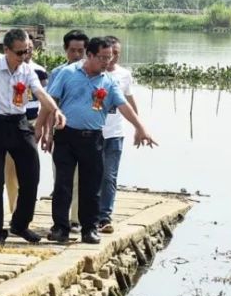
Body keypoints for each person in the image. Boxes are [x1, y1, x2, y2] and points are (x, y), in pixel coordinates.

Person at [44, 36, 156, 245]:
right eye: (102, 57)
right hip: (66, 136)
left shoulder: (109, 81)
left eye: (110, 57)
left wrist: (140, 127)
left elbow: (124, 106)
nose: (107, 62)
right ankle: (60, 227)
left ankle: (89, 229)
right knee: (63, 184)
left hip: (93, 138)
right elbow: (52, 102)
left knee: (92, 186)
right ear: (90, 55)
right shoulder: (67, 74)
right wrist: (46, 132)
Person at [0, 29, 65, 246]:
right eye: (19, 52)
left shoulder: (27, 70)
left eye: (27, 51)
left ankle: (20, 223)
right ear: (6, 50)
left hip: (19, 124)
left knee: (31, 175)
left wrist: (55, 110)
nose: (24, 56)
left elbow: (40, 93)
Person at [97, 36, 138, 233]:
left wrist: (139, 127)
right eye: (108, 54)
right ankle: (87, 215)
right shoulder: (92, 74)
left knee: (109, 176)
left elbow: (128, 101)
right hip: (93, 131)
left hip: (115, 133)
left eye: (116, 54)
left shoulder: (124, 75)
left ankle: (104, 216)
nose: (112, 58)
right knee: (92, 175)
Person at [48, 30, 88, 230]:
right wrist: (47, 133)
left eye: (81, 50)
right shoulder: (57, 73)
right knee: (61, 178)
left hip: (84, 134)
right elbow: (49, 105)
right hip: (61, 132)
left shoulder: (94, 73)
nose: (77, 55)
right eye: (73, 50)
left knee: (80, 178)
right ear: (65, 50)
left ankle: (76, 219)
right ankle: (61, 220)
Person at [4, 39, 48, 213]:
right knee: (10, 167)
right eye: (22, 50)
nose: (26, 53)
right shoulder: (5, 70)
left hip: (32, 122)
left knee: (29, 166)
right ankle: (14, 208)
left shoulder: (39, 71)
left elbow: (45, 98)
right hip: (10, 121)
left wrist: (43, 126)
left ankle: (25, 206)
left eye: (29, 49)